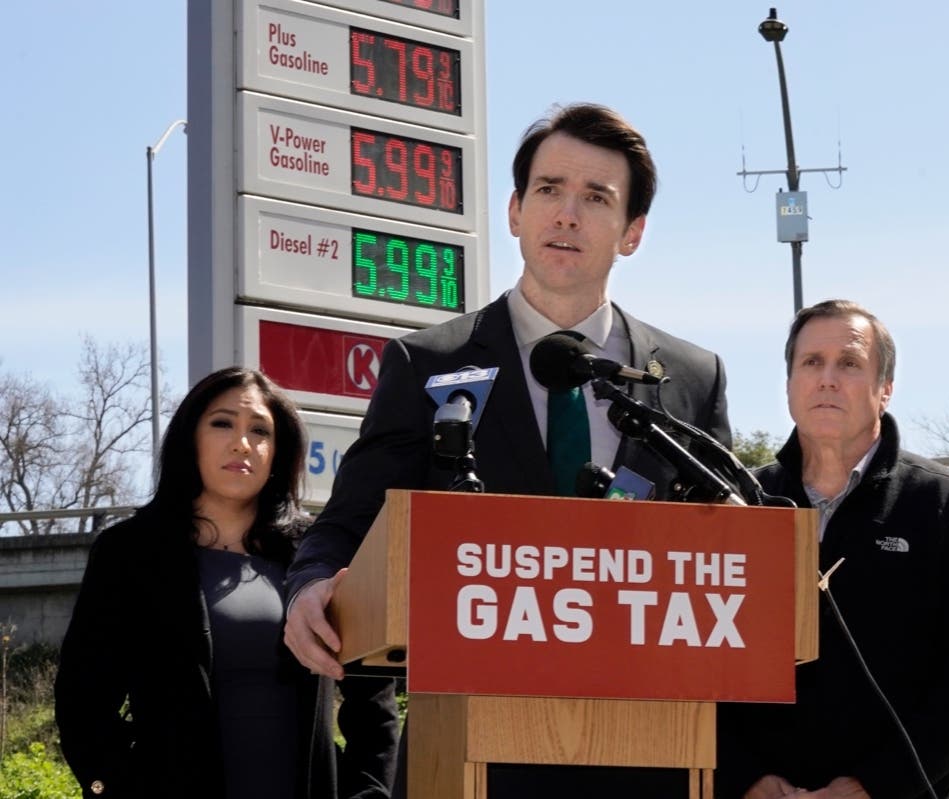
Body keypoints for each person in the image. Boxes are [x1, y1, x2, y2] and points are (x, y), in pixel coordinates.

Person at [284, 103, 732, 797]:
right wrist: (310, 583)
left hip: (650, 755)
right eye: (549, 190)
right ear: (515, 211)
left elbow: (727, 551)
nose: (566, 214)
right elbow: (345, 525)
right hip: (469, 756)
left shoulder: (691, 378)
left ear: (632, 232)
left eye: (595, 198)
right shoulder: (427, 363)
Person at [715, 300, 949, 799]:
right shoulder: (735, 507)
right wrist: (742, 778)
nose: (827, 379)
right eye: (811, 363)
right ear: (790, 384)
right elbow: (694, 662)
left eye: (850, 363)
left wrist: (874, 784)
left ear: (885, 390)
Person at [55, 367, 399, 799]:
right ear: (190, 439)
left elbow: (374, 707)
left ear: (278, 452)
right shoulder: (129, 552)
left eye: (260, 430)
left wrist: (369, 793)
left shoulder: (318, 557)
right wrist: (117, 786)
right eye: (222, 423)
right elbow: (83, 702)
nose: (243, 443)